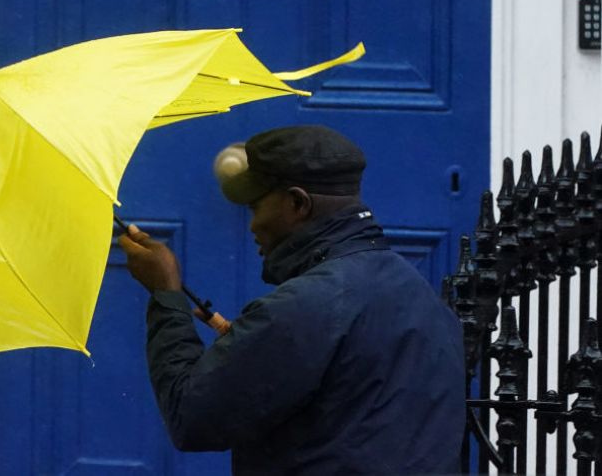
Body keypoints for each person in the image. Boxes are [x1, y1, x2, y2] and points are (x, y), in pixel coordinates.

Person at [118, 125, 465, 475]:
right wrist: (255, 344)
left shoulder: (306, 306)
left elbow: (191, 418)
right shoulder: (417, 290)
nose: (253, 225)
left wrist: (165, 295)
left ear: (298, 203)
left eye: (256, 207)